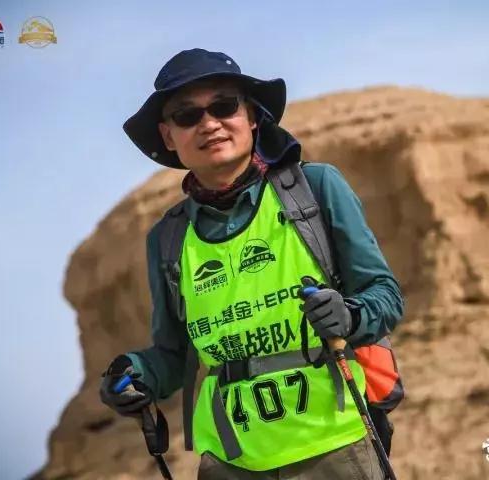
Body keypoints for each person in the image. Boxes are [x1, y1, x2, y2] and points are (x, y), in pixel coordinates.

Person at [99, 48, 404, 479]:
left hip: (336, 449)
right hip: (230, 462)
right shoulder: (166, 238)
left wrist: (350, 315)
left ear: (252, 116)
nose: (209, 123)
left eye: (224, 106)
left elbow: (385, 296)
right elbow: (173, 356)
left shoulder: (317, 188)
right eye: (187, 115)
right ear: (168, 135)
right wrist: (136, 373)